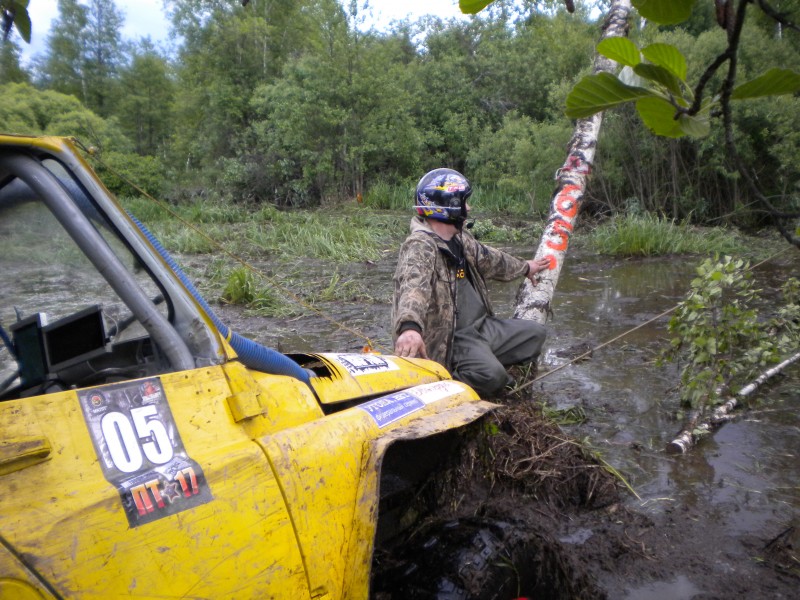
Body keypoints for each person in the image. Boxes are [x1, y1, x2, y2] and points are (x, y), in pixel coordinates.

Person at [392, 168, 549, 397]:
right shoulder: (420, 246)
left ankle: (479, 357)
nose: (469, 208)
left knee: (536, 334)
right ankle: (443, 385)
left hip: (481, 327)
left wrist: (526, 267)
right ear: (450, 205)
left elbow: (492, 259)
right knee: (493, 377)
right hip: (452, 337)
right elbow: (413, 287)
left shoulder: (460, 238)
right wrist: (409, 328)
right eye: (465, 202)